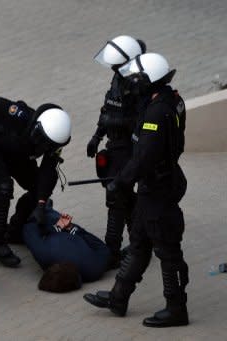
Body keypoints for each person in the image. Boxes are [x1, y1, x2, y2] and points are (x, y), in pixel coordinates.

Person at [83, 53, 189, 328]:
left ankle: (176, 308)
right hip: (154, 185)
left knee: (168, 251)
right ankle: (119, 297)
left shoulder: (156, 112)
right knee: (139, 241)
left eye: (137, 79)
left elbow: (145, 155)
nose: (133, 84)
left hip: (159, 188)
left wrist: (122, 180)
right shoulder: (170, 100)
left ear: (149, 81)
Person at [0, 96, 72, 267]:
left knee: (39, 189)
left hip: (19, 157)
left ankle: (15, 230)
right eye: (43, 141)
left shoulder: (56, 142)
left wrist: (40, 203)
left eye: (49, 145)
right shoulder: (22, 115)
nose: (45, 147)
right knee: (3, 187)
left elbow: (47, 171)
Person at [87, 35, 147, 268]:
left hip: (130, 147)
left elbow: (140, 121)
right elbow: (108, 109)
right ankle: (140, 243)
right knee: (125, 199)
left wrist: (117, 122)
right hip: (114, 145)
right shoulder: (118, 77)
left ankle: (112, 250)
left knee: (116, 195)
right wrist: (96, 136)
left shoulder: (139, 85)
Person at [23, 202, 110, 284]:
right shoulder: (94, 270)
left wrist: (59, 228)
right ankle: (44, 207)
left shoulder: (94, 270)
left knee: (38, 214)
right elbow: (101, 247)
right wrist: (70, 228)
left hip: (49, 226)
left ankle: (42, 208)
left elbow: (28, 229)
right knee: (46, 214)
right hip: (59, 228)